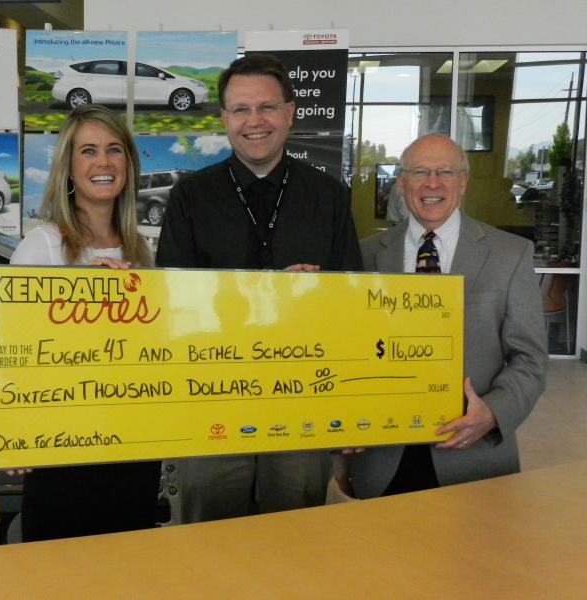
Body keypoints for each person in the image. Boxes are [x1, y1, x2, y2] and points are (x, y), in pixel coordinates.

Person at [155, 54, 363, 524]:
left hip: (302, 404)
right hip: (210, 401)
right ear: (225, 119)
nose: (255, 121)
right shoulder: (190, 197)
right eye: (241, 110)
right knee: (209, 538)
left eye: (267, 107)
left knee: (296, 535)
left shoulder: (328, 196)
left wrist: (318, 295)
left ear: (290, 113)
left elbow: (351, 305)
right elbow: (171, 303)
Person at [346, 133, 547, 498]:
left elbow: (530, 360)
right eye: (420, 172)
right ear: (402, 183)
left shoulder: (510, 255)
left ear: (464, 182)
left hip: (474, 455)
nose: (432, 183)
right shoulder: (365, 255)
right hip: (381, 455)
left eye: (446, 172)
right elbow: (345, 351)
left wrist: (494, 413)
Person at [11, 104, 161, 540]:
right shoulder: (42, 247)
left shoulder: (142, 250)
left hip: (132, 444)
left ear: (129, 165)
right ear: (68, 168)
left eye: (115, 150)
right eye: (89, 151)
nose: (103, 163)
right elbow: (9, 348)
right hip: (63, 448)